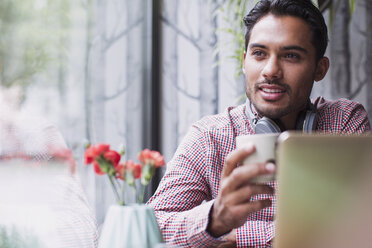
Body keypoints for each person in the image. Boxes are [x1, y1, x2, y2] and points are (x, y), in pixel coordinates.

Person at [147, 0, 371, 247]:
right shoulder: (209, 137)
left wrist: (241, 236)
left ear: (320, 68)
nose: (271, 70)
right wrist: (215, 218)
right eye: (259, 54)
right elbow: (152, 227)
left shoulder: (344, 122)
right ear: (244, 61)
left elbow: (360, 222)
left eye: (291, 56)